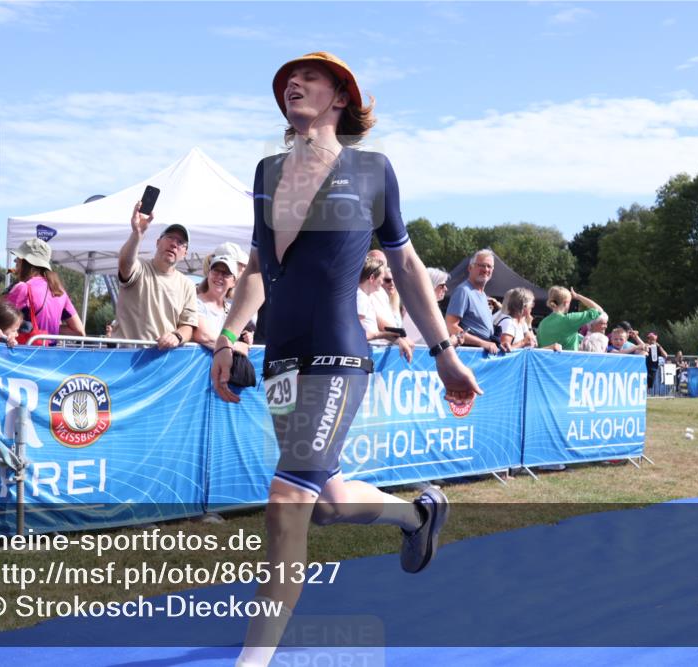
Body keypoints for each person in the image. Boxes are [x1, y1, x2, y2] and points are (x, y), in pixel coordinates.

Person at [209, 51, 481, 667]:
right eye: (285, 83)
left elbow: (408, 265)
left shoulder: (372, 170)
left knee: (286, 499)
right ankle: (418, 513)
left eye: (308, 78)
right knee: (321, 498)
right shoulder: (267, 171)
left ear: (340, 95)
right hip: (280, 357)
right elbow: (258, 267)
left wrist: (443, 353)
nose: (292, 86)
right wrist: (228, 337)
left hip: (338, 351)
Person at [114, 205, 198, 350]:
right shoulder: (140, 268)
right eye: (170, 237)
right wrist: (137, 233)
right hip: (125, 358)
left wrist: (177, 336)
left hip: (161, 361)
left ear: (185, 253)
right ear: (158, 242)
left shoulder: (187, 285)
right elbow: (125, 263)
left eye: (180, 243)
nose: (174, 244)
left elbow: (188, 326)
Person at [6, 238, 85, 340]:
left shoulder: (23, 288)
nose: (15, 262)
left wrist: (31, 328)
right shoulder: (60, 291)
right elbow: (79, 331)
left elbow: (0, 323)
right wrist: (50, 329)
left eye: (18, 259)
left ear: (26, 262)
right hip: (51, 353)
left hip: (24, 353)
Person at [192, 255, 251, 354]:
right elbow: (203, 335)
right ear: (209, 275)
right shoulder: (195, 302)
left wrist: (246, 339)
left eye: (226, 273)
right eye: (215, 271)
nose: (219, 276)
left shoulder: (231, 309)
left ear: (233, 282)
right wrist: (237, 346)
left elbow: (234, 336)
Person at [445, 249, 498, 353]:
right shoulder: (463, 291)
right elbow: (450, 326)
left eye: (489, 266)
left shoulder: (482, 295)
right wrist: (483, 343)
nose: (486, 269)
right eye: (482, 265)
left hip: (483, 353)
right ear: (470, 268)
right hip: (471, 354)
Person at [536, 286, 604, 351]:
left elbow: (540, 347)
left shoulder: (542, 323)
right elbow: (599, 310)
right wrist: (578, 296)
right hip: (568, 362)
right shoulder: (570, 319)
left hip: (546, 362)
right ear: (566, 303)